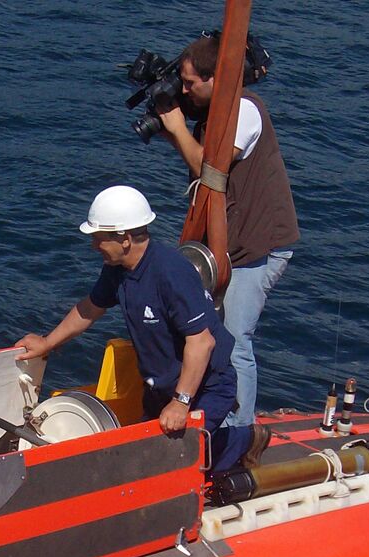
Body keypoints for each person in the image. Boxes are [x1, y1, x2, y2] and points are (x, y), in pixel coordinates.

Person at [15, 185, 268, 475]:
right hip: (160, 387)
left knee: (174, 460)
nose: (94, 246)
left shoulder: (171, 273)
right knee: (141, 457)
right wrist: (47, 343)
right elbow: (89, 309)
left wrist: (181, 402)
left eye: (98, 238)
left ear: (124, 239)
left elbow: (202, 343)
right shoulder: (117, 270)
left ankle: (245, 440)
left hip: (204, 387)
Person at [157, 33, 300, 426]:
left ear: (215, 79)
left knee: (234, 341)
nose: (184, 91)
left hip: (257, 248)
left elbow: (210, 169)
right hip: (227, 247)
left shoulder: (245, 112)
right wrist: (175, 132)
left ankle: (239, 431)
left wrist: (177, 127)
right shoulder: (215, 115)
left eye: (191, 84)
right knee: (208, 334)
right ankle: (215, 414)